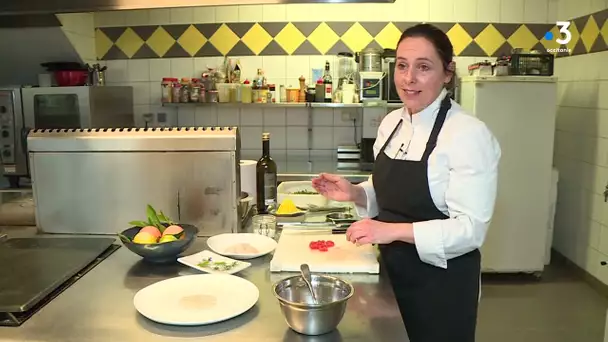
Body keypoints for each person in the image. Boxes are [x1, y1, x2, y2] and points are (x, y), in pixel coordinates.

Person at [312, 23, 501, 342]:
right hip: (391, 275)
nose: (408, 78)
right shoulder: (391, 123)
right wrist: (357, 193)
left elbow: (470, 229)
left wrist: (389, 231)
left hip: (441, 287)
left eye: (423, 67)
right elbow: (388, 189)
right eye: (401, 65)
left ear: (447, 73)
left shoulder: (468, 135)